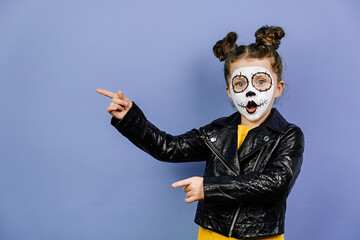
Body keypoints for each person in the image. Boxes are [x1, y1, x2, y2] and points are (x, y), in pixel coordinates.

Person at [96, 25, 304, 240]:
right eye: (240, 83)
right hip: (213, 233)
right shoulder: (216, 132)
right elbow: (169, 148)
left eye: (261, 81)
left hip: (260, 236)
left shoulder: (287, 134)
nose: (250, 91)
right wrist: (130, 117)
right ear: (230, 92)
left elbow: (276, 183)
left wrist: (209, 188)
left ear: (278, 87)